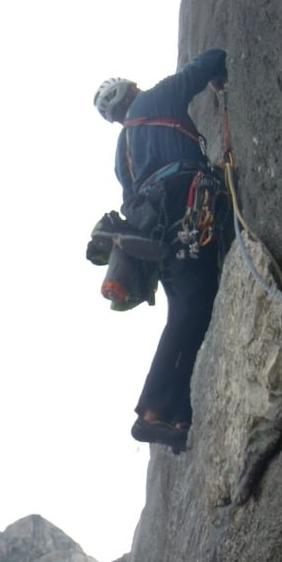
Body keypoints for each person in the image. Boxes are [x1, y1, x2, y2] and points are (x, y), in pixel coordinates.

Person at [93, 48, 228, 452]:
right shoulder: (159, 97)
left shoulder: (124, 153)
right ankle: (152, 409)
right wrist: (216, 79)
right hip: (189, 207)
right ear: (132, 90)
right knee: (191, 310)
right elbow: (211, 58)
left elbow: (132, 199)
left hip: (160, 235)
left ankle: (178, 414)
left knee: (188, 310)